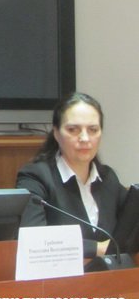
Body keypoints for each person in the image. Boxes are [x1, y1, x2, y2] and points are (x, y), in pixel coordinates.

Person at [16, 92, 127, 258]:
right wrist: (98, 248)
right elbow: (33, 240)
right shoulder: (36, 177)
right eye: (73, 130)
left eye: (93, 130)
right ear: (56, 133)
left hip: (113, 274)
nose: (84, 138)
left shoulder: (108, 178)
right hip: (58, 273)